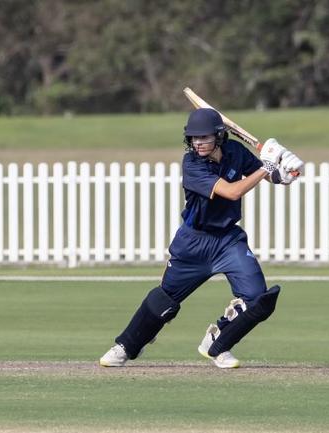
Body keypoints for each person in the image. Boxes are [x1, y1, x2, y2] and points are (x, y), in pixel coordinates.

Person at [100, 107, 304, 368]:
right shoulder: (192, 165)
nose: (198, 143)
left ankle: (217, 342)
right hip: (193, 243)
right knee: (164, 302)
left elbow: (271, 176)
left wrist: (286, 172)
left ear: (219, 136)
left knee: (257, 299)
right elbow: (231, 192)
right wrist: (267, 166)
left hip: (228, 241)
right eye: (194, 138)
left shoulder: (236, 153)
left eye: (204, 137)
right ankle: (125, 347)